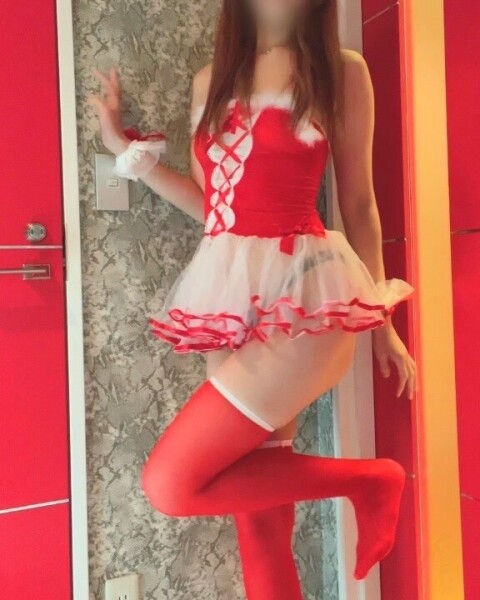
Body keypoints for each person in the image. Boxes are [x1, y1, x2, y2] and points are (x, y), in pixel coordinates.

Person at [89, 0, 417, 597]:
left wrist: (382, 321)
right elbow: (213, 210)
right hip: (230, 304)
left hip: (303, 296)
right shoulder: (209, 80)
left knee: (170, 485)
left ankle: (373, 481)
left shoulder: (341, 69)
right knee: (260, 528)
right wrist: (121, 148)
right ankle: (367, 486)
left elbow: (359, 203)